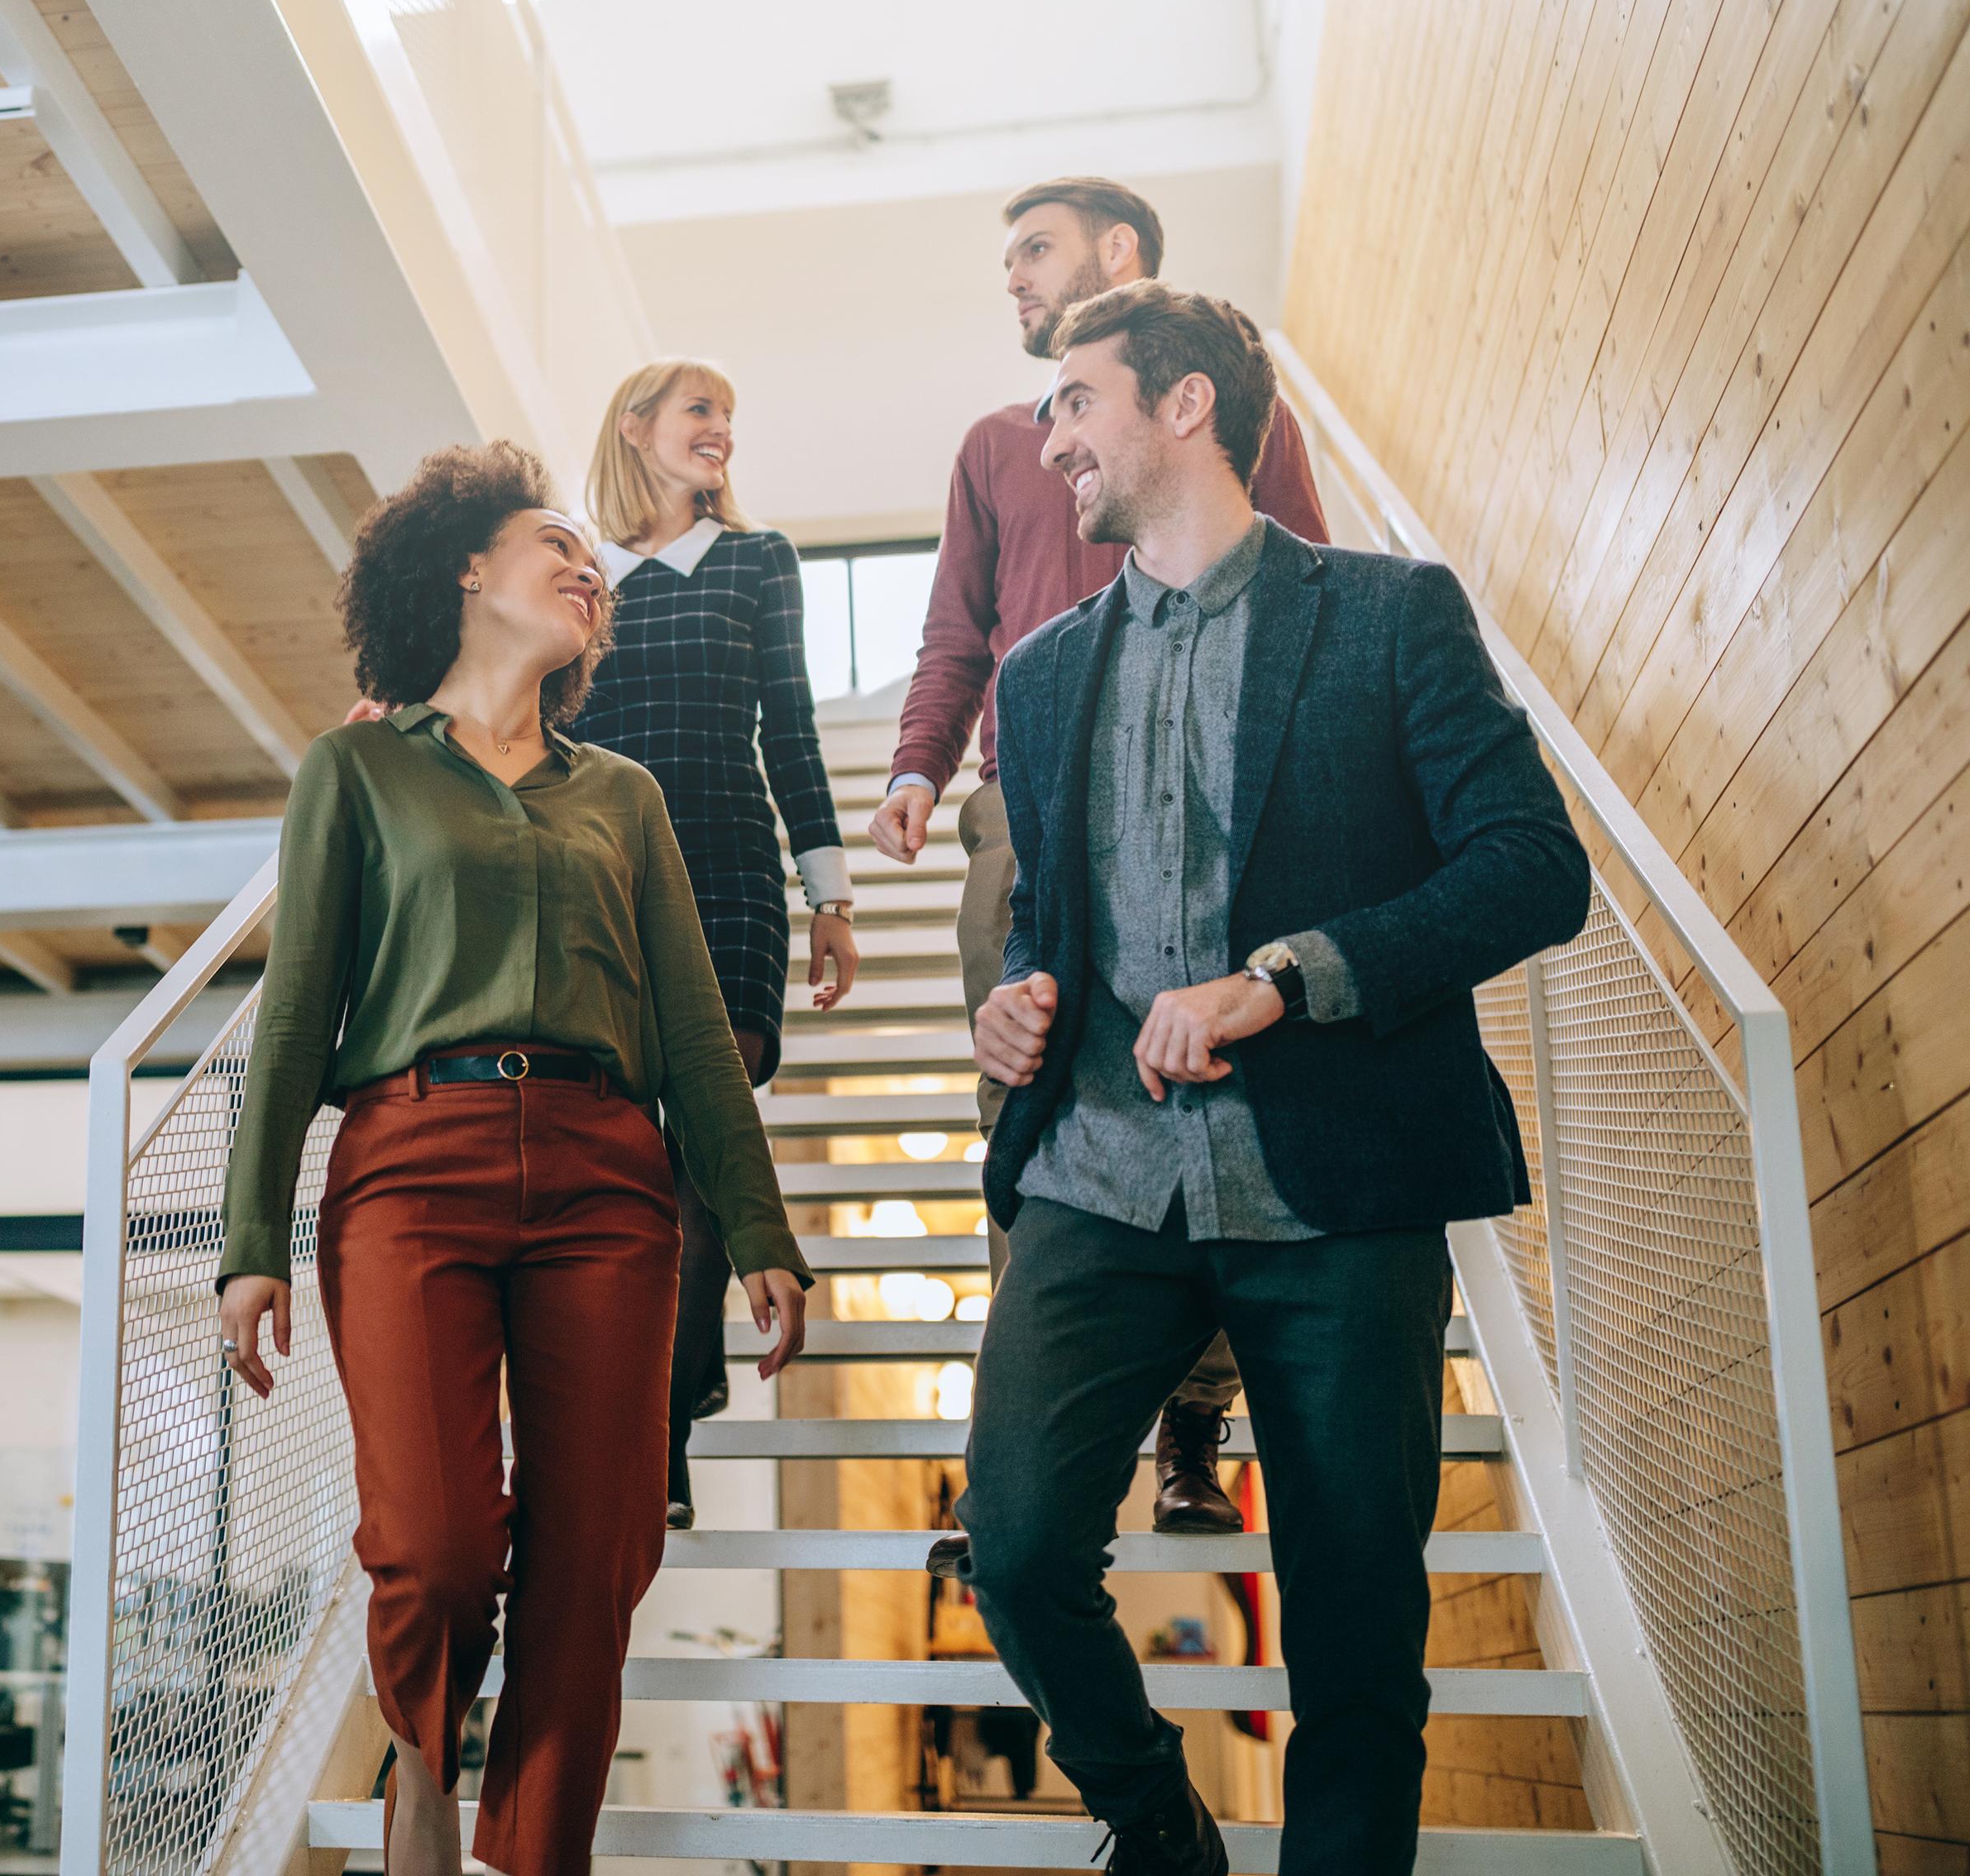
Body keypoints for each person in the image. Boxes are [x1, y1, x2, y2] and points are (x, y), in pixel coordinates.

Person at [956, 282, 1587, 1874]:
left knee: (1358, 1625)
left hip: (1344, 1181)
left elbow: (1532, 870)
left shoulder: (1390, 613)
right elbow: (1050, 929)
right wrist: (1019, 1007)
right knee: (1022, 1548)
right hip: (1099, 1172)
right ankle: (1160, 1830)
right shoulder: (1032, 681)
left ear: (1183, 408)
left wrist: (1286, 979)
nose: (1050, 442)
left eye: (1075, 404)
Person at [216, 443, 811, 1876]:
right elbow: (295, 1016)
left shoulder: (625, 796)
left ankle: (533, 1855)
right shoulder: (357, 767)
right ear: (468, 570)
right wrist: (248, 1245)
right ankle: (423, 1765)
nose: (587, 568)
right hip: (412, 1168)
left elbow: (692, 1029)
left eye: (592, 562)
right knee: (433, 1547)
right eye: (558, 542)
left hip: (612, 1183)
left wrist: (763, 1224)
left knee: (595, 1558)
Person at [868, 175, 1332, 1534]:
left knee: (1213, 1102)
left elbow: (1303, 580)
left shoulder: (1238, 417)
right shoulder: (996, 448)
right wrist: (916, 762)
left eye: (1036, 251)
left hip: (1221, 805)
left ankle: (1193, 1431)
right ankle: (1012, 1450)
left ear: (1116, 253)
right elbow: (957, 629)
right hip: (1028, 813)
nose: (1011, 277)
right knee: (1026, 1114)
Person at [569, 358, 857, 1530]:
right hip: (601, 885)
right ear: (635, 428)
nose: (721, 432)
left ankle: (663, 1432)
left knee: (693, 1158)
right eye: (700, 412)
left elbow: (789, 724)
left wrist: (829, 893)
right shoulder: (577, 577)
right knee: (626, 1163)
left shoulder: (757, 561)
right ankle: (645, 1413)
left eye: (730, 417)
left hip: (732, 878)